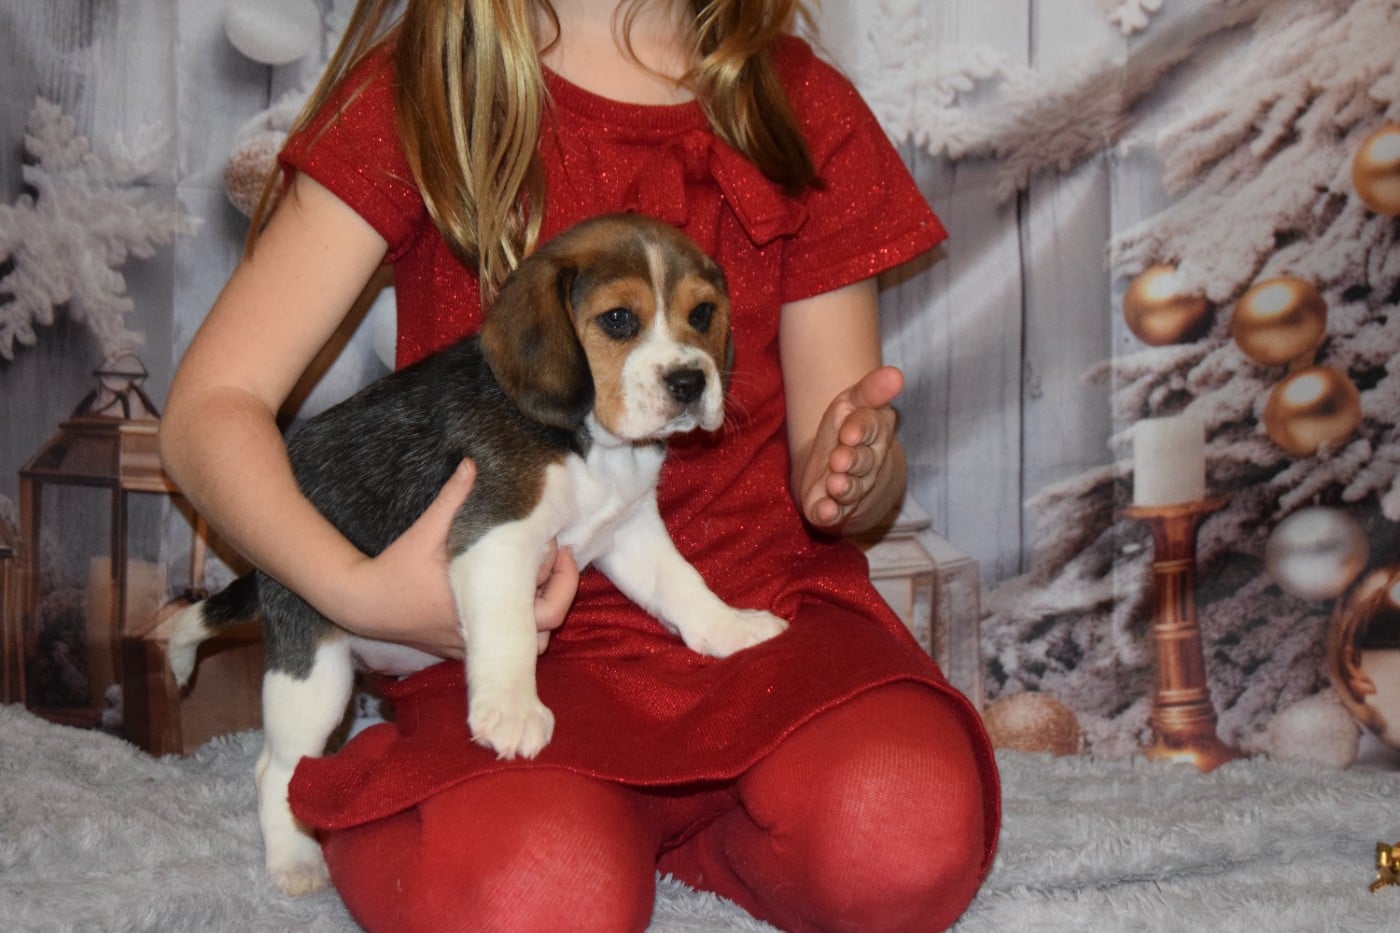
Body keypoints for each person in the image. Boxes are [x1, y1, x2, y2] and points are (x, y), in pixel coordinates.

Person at [160, 1, 1000, 930]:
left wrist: (858, 469)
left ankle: (686, 838)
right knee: (540, 896)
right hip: (502, 639)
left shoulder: (803, 101)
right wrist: (353, 593)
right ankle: (380, 791)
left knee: (903, 831)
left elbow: (838, 460)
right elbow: (207, 412)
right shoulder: (427, 85)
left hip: (755, 624)